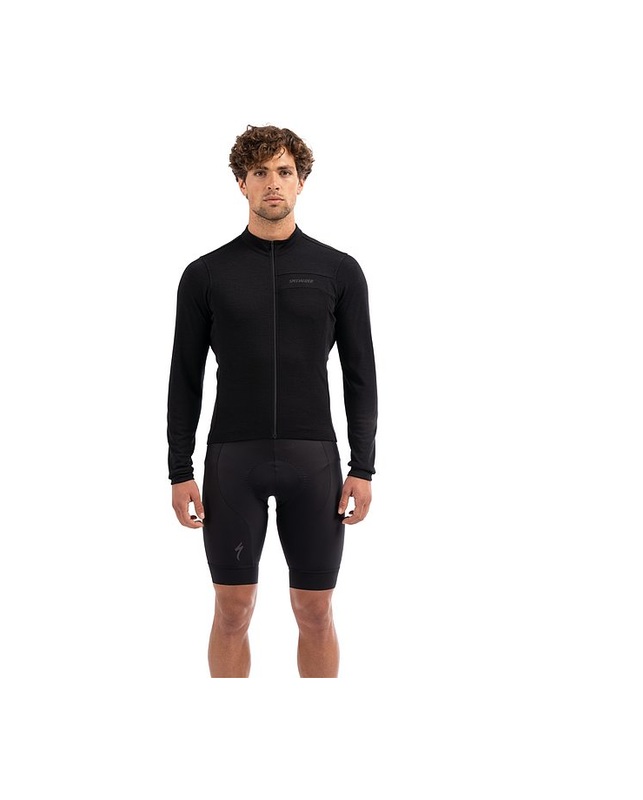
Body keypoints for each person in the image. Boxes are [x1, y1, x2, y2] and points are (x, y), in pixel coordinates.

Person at [167, 124, 377, 678]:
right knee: (232, 611)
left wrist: (363, 466)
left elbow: (361, 376)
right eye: (260, 172)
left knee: (316, 612)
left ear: (302, 181)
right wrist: (179, 470)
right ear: (242, 183)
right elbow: (184, 378)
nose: (273, 183)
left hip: (315, 461)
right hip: (232, 460)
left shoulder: (339, 271)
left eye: (284, 171)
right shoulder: (205, 275)